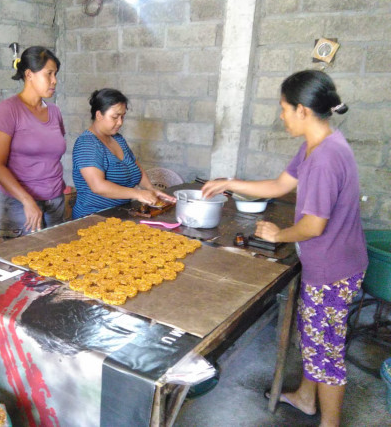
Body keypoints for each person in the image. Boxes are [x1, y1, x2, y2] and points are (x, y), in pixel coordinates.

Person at [202, 70, 368, 427]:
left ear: (303, 110)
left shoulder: (325, 158)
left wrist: (278, 235)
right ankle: (307, 398)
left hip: (333, 270)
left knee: (326, 351)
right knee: (315, 338)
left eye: (283, 108)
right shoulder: (317, 144)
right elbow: (280, 185)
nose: (281, 116)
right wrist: (229, 182)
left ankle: (330, 422)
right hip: (337, 261)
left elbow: (313, 226)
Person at [0, 46, 66, 238]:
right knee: (23, 262)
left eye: (55, 74)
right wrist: (27, 200)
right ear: (29, 74)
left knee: (57, 261)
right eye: (49, 74)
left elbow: (52, 155)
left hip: (55, 201)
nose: (54, 80)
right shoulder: (8, 110)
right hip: (20, 205)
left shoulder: (54, 112)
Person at [72, 88, 175, 219]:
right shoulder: (87, 144)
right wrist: (137, 194)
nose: (120, 122)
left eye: (122, 117)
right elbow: (98, 186)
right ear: (99, 115)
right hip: (93, 217)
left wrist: (150, 189)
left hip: (120, 214)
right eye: (115, 117)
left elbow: (136, 167)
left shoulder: (118, 139)